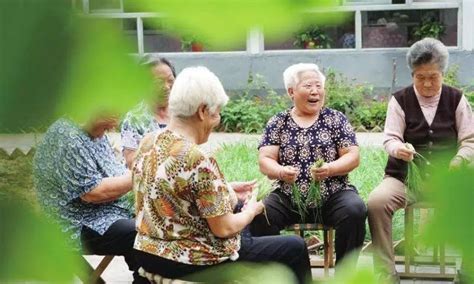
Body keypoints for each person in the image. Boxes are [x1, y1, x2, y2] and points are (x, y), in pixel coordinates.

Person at [132, 66, 311, 284]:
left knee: (241, 217)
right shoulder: (197, 158)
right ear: (202, 111)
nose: (217, 120)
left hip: (147, 251)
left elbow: (171, 188)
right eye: (216, 113)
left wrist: (224, 188)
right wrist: (252, 210)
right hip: (189, 260)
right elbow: (223, 228)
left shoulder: (149, 141)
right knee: (294, 247)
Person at [367, 37, 474, 283]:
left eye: (433, 77)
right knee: (376, 202)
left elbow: (470, 141)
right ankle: (385, 274)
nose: (427, 83)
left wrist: (460, 160)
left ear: (443, 74)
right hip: (404, 179)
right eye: (420, 77)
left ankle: (468, 272)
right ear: (412, 74)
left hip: (447, 179)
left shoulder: (456, 99)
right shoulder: (400, 100)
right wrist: (398, 149)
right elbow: (390, 138)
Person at [249, 63, 367, 268]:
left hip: (333, 193)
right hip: (287, 195)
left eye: (319, 86)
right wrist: (280, 171)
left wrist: (330, 168)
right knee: (260, 214)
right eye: (308, 86)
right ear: (291, 92)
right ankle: (279, 275)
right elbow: (265, 160)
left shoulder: (335, 119)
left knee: (355, 210)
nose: (315, 91)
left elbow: (353, 156)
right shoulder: (279, 121)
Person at [33, 115, 140, 281]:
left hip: (105, 212)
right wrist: (141, 173)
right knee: (141, 232)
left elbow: (115, 172)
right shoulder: (68, 137)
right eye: (108, 124)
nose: (112, 128)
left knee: (155, 221)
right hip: (74, 223)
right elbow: (93, 193)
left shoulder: (93, 131)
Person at [121, 57, 176, 168]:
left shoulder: (182, 111)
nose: (166, 87)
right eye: (159, 82)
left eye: (170, 81)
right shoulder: (134, 118)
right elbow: (131, 161)